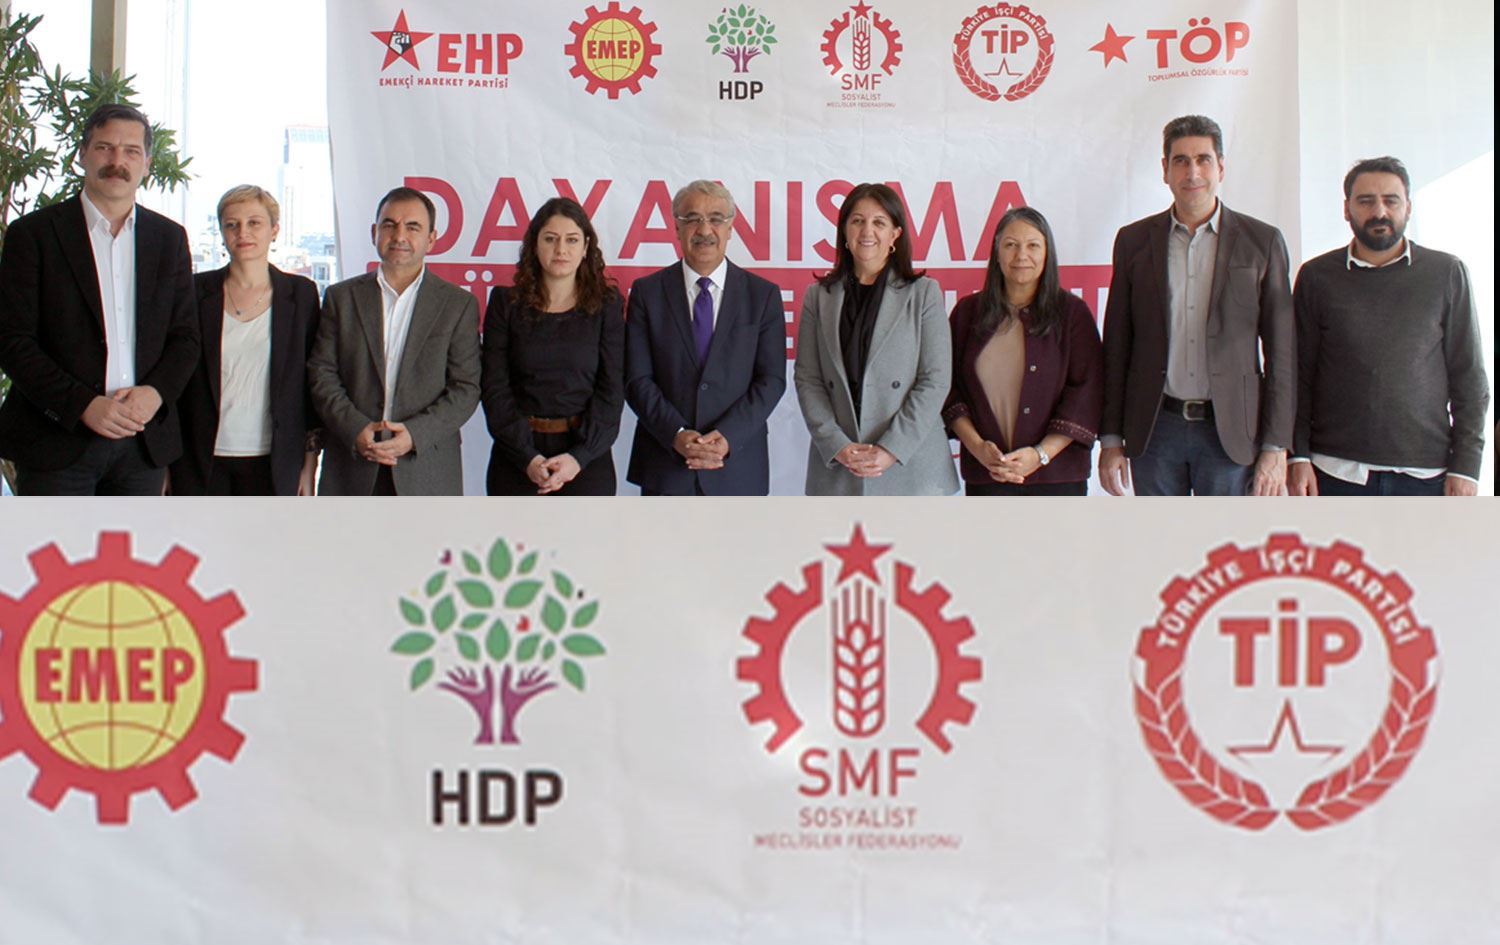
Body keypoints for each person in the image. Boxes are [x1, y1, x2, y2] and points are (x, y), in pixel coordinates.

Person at [0, 103, 198, 494]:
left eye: (131, 151)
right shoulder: (33, 235)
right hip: (56, 442)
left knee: (136, 540)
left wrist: (155, 394)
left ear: (146, 164)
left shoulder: (169, 239)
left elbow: (186, 338)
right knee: (54, 539)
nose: (117, 161)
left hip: (142, 445)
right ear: (82, 155)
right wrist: (82, 405)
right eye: (105, 147)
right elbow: (11, 339)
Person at [1099, 114, 1294, 496]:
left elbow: (1282, 353)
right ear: (1165, 170)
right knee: (1159, 534)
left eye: (1203, 159)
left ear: (1221, 167)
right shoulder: (1133, 242)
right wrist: (1110, 438)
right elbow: (1117, 345)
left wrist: (1275, 447)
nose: (1192, 172)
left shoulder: (1262, 242)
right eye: (1181, 161)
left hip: (1231, 433)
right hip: (1155, 430)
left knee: (1223, 535)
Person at [1289, 156, 1489, 496]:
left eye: (1391, 201)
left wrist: (1467, 468)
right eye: (1366, 201)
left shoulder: (1446, 274)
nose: (1379, 212)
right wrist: (1298, 456)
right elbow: (1298, 375)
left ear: (1408, 207)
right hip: (1333, 472)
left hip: (1426, 475)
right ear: (1346, 209)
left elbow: (1469, 378)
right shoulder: (1316, 277)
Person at [307, 186, 480, 495]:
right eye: (390, 225)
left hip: (426, 470)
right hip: (352, 466)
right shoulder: (341, 298)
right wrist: (355, 428)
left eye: (413, 227)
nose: (399, 235)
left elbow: (466, 388)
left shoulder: (457, 305)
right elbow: (322, 373)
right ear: (375, 233)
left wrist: (414, 434)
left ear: (431, 239)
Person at [624, 180, 786, 495]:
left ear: (731, 228)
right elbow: (636, 379)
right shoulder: (647, 293)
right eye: (692, 218)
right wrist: (676, 434)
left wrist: (727, 436)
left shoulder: (762, 295)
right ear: (676, 227)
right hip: (666, 465)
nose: (704, 229)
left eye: (715, 219)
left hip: (737, 466)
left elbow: (771, 380)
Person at [793, 182, 957, 495]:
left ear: (895, 234)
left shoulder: (923, 294)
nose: (867, 231)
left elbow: (935, 380)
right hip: (840, 466)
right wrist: (837, 444)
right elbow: (808, 378)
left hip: (912, 468)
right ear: (844, 231)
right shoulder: (818, 297)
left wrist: (892, 448)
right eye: (857, 221)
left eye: (879, 222)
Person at [169, 186, 321, 495]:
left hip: (275, 460)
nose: (243, 233)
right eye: (232, 224)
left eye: (254, 222)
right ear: (222, 232)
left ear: (274, 230)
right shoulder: (194, 292)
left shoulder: (301, 294)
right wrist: (166, 464)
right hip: (198, 459)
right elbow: (175, 383)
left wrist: (310, 462)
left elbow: (309, 386)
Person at [943, 206, 1103, 495]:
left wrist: (1040, 455)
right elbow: (947, 388)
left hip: (1058, 478)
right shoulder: (967, 314)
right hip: (988, 476)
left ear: (1047, 253)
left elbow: (1087, 392)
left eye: (1033, 245)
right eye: (1011, 245)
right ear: (997, 252)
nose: (1021, 256)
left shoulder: (1072, 313)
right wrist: (978, 448)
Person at [481, 197, 624, 495]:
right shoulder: (505, 303)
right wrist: (527, 458)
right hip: (517, 458)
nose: (561, 249)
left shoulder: (606, 306)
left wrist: (578, 457)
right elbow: (494, 387)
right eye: (550, 239)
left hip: (585, 461)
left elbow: (611, 389)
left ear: (585, 247)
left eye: (571, 240)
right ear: (534, 244)